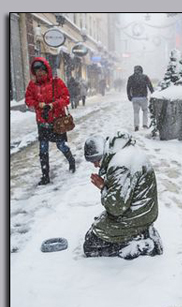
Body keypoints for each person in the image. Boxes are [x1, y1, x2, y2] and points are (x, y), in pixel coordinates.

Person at [83, 132, 163, 260]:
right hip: (143, 209)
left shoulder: (120, 165)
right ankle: (141, 232)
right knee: (97, 227)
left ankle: (145, 244)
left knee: (90, 245)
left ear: (100, 155)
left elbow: (116, 208)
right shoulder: (122, 152)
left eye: (94, 161)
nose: (95, 165)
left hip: (139, 214)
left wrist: (103, 187)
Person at [25, 57, 76, 185]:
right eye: (37, 70)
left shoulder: (56, 82)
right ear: (34, 71)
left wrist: (53, 105)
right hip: (42, 122)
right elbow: (28, 100)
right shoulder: (32, 85)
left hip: (56, 122)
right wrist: (39, 104)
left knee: (61, 145)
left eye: (42, 70)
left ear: (46, 69)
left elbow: (66, 98)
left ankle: (71, 161)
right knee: (43, 150)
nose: (40, 73)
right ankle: (45, 176)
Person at [126, 65, 155, 131]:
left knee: (136, 112)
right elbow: (150, 86)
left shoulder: (131, 78)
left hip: (135, 98)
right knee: (145, 111)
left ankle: (136, 126)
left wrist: (129, 96)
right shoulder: (145, 77)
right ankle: (144, 124)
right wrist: (153, 93)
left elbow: (128, 88)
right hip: (143, 97)